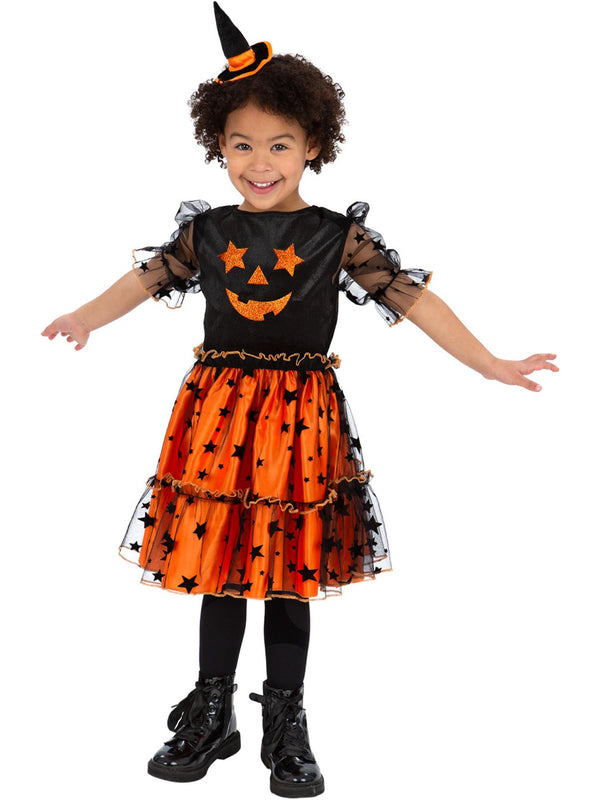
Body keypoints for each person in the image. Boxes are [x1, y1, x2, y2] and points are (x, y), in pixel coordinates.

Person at [41, 4, 558, 797]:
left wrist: (489, 362)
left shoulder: (332, 235)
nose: (260, 161)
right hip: (218, 416)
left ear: (313, 145)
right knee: (218, 565)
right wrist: (84, 317)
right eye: (242, 144)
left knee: (288, 568)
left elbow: (413, 299)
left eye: (279, 144)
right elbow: (142, 282)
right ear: (219, 145)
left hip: (299, 421)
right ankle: (211, 712)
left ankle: (286, 722)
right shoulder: (209, 234)